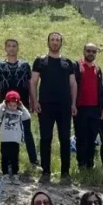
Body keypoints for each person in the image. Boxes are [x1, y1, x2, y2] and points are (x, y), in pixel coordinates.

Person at [30, 32, 78, 181]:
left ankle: (65, 173)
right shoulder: (40, 61)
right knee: (46, 138)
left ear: (61, 43)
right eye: (52, 40)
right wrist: (35, 101)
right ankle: (45, 172)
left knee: (65, 139)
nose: (55, 42)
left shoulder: (68, 63)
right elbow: (33, 82)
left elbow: (73, 84)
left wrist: (74, 103)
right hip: (45, 106)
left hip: (64, 106)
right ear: (48, 42)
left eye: (57, 40)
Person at [0, 38, 38, 169]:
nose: (12, 48)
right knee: (8, 135)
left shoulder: (24, 65)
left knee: (27, 132)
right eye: (9, 46)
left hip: (21, 104)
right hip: (5, 106)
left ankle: (34, 161)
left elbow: (30, 84)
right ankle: (8, 164)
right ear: (5, 49)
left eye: (14, 46)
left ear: (17, 49)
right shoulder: (0, 65)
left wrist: (33, 101)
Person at [74, 43, 103, 170]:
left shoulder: (97, 70)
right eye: (88, 51)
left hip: (95, 109)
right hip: (80, 108)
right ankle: (81, 165)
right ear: (84, 51)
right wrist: (73, 105)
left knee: (92, 139)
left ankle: (90, 165)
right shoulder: (77, 66)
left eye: (94, 51)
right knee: (81, 138)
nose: (91, 53)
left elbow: (101, 90)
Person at [0, 91, 32, 182]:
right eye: (10, 105)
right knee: (5, 157)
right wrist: (3, 104)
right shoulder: (3, 112)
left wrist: (22, 107)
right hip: (5, 139)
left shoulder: (19, 113)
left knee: (15, 157)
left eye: (15, 106)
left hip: (15, 140)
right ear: (7, 104)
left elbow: (28, 117)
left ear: (17, 104)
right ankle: (5, 174)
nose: (12, 108)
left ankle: (15, 174)